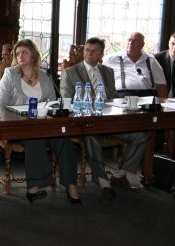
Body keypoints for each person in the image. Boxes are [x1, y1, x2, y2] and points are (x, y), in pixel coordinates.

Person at [61, 37, 149, 200]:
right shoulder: (70, 72)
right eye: (87, 50)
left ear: (101, 54)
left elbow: (113, 98)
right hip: (85, 123)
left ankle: (119, 174)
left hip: (109, 122)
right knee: (91, 137)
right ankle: (103, 182)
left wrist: (126, 106)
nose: (89, 53)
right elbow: (66, 101)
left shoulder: (108, 71)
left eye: (94, 51)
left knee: (141, 136)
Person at [0, 38, 80, 204]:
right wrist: (18, 114)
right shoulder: (10, 74)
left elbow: (52, 102)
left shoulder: (44, 76)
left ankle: (71, 186)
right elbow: (0, 103)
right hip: (17, 127)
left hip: (44, 125)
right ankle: (34, 187)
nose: (20, 56)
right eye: (17, 53)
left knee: (64, 140)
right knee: (35, 139)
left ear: (33, 55)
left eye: (25, 52)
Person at [102, 32, 168, 98]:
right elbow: (101, 78)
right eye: (129, 40)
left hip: (147, 97)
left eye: (136, 41)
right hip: (121, 98)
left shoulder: (151, 60)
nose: (131, 43)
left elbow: (161, 85)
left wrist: (162, 103)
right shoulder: (110, 59)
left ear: (142, 45)